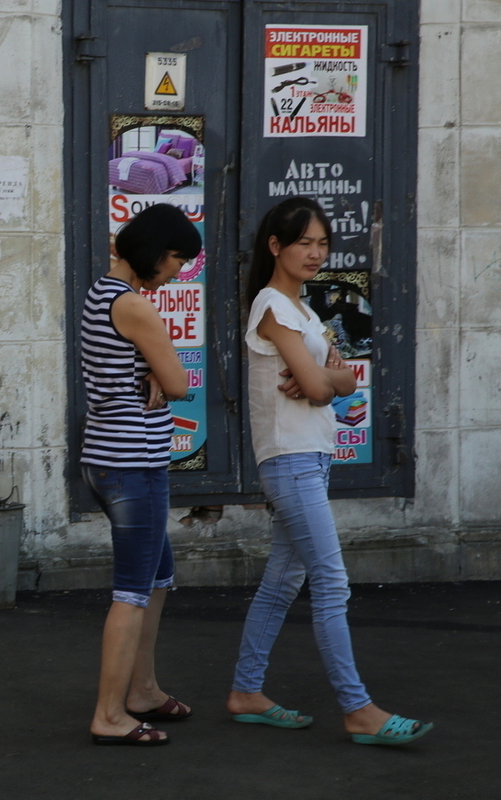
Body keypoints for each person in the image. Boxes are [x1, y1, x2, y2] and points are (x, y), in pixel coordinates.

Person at [226, 196, 433, 746]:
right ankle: (357, 708)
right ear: (275, 245)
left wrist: (330, 381)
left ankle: (246, 691)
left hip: (309, 455)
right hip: (291, 458)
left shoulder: (305, 312)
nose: (316, 253)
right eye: (304, 243)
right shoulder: (273, 306)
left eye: (323, 244)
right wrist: (328, 380)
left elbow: (339, 384)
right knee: (331, 582)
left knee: (284, 580)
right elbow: (325, 386)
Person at [81, 203, 201, 747]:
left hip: (109, 458)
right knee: (132, 592)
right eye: (178, 258)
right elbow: (179, 385)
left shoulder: (99, 294)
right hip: (134, 464)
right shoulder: (134, 306)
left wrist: (151, 365)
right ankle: (109, 713)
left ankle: (143, 691)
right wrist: (161, 366)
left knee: (156, 581)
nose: (179, 270)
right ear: (156, 250)